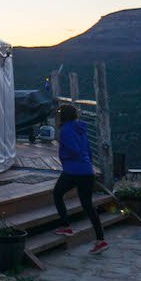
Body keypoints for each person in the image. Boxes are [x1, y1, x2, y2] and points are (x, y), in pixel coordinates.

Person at [52, 103, 109, 254]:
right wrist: (88, 165)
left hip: (73, 170)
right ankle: (101, 239)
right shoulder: (80, 128)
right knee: (88, 206)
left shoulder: (65, 130)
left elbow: (74, 150)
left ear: (62, 116)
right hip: (86, 170)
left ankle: (66, 226)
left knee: (57, 193)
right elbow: (88, 150)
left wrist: (64, 155)